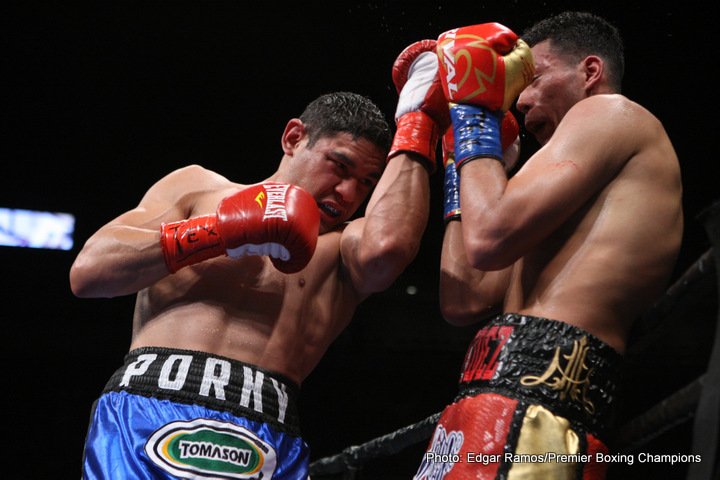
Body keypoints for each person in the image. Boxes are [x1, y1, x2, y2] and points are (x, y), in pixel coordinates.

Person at [71, 36, 452, 478]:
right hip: (141, 414)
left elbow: (390, 250)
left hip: (263, 432)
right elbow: (89, 273)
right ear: (294, 138)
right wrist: (221, 231)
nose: (348, 193)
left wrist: (417, 124)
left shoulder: (346, 245)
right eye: (340, 166)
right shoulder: (197, 188)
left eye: (366, 183)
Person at [414, 12, 683, 480]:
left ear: (590, 72)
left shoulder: (611, 113)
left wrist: (473, 112)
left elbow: (489, 236)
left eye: (534, 80)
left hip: (545, 399)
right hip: (486, 391)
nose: (521, 101)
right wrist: (465, 159)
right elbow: (465, 295)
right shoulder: (563, 185)